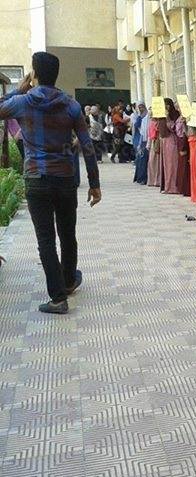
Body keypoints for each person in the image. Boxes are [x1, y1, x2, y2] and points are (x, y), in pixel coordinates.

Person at [0, 52, 102, 314]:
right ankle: (68, 282)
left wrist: (18, 90)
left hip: (36, 179)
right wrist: (94, 183)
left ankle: (58, 298)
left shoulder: (22, 102)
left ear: (34, 74)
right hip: (65, 178)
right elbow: (87, 146)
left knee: (45, 239)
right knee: (68, 234)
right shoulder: (71, 105)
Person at [159, 98, 188, 195]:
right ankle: (167, 186)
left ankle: (173, 187)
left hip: (173, 141)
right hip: (165, 142)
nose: (166, 107)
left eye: (167, 105)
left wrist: (167, 118)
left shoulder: (175, 115)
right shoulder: (162, 115)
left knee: (172, 164)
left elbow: (174, 128)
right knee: (166, 164)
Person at [133, 102, 149, 184]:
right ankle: (139, 177)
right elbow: (136, 125)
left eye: (142, 107)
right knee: (140, 159)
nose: (140, 109)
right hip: (140, 139)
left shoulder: (147, 117)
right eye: (139, 107)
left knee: (143, 159)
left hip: (146, 140)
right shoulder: (139, 116)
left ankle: (143, 178)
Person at [146, 111, 163, 188]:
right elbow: (149, 135)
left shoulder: (157, 123)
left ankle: (157, 180)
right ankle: (152, 180)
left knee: (156, 162)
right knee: (152, 162)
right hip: (153, 143)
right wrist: (148, 144)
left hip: (157, 142)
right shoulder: (151, 123)